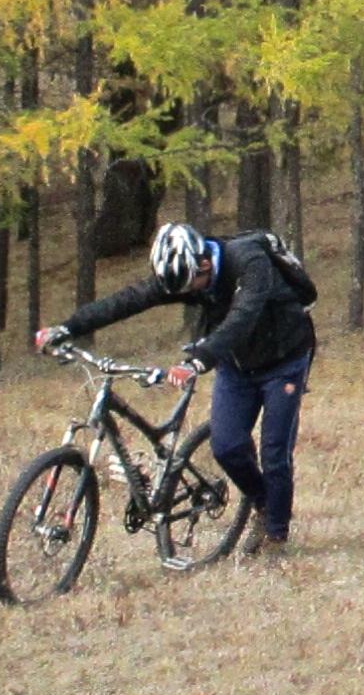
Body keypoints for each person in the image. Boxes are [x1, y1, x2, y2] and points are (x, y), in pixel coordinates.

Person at [35, 220, 318, 558]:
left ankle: (276, 534)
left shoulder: (249, 262)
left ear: (204, 262)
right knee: (226, 446)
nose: (188, 293)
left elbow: (242, 317)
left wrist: (199, 359)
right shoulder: (186, 275)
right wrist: (68, 327)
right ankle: (263, 502)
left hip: (284, 358)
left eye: (191, 285)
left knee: (274, 452)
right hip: (236, 364)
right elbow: (129, 300)